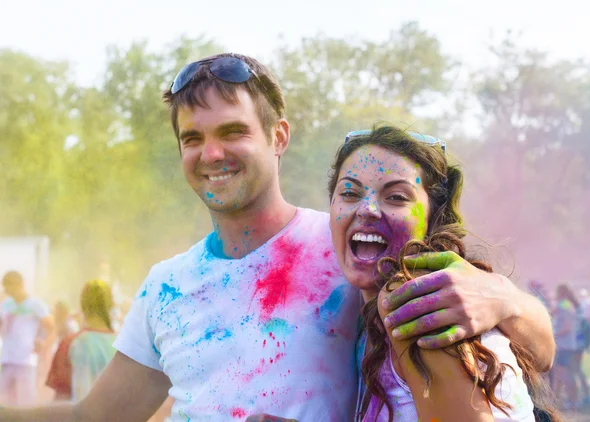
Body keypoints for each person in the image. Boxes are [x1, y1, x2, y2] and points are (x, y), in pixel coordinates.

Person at [0, 53, 555, 421]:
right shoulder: (164, 287)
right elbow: (97, 417)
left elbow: (536, 349)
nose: (211, 154)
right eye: (192, 138)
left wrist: (505, 297)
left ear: (278, 137)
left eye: (233, 132)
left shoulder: (353, 252)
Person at [328, 126, 559, 421]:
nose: (367, 209)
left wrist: (506, 298)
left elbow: (545, 356)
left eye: (396, 197)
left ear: (433, 217)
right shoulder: (363, 306)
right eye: (350, 192)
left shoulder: (417, 300)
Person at [45, 280, 117, 402]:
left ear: (83, 305)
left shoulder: (69, 343)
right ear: (111, 305)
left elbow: (61, 397)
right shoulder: (124, 347)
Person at [0, 271, 55, 407]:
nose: (7, 290)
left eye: (9, 287)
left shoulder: (36, 305)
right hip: (7, 359)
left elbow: (52, 329)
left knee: (25, 405)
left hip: (26, 361)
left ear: (20, 285)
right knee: (4, 403)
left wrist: (44, 345)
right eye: (5, 287)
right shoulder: (6, 304)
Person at [551, 284, 579, 409]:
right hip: (569, 345)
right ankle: (557, 402)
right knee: (560, 375)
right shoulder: (568, 304)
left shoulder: (564, 305)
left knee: (563, 374)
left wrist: (552, 334)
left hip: (563, 345)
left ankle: (572, 402)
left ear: (559, 293)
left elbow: (567, 327)